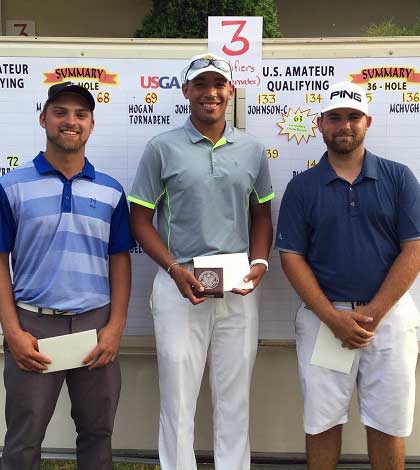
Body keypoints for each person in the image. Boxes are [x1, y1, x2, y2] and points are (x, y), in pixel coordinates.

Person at [129, 53, 274, 470]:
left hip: (238, 286)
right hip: (180, 282)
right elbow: (140, 219)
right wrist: (174, 269)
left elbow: (261, 214)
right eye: (201, 85)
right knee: (177, 396)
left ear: (230, 91)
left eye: (219, 85)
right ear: (186, 91)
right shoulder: (161, 147)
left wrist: (260, 263)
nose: (210, 93)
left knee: (235, 397)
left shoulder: (251, 149)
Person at [276, 81, 420, 470]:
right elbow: (291, 257)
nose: (345, 125)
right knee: (322, 423)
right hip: (326, 322)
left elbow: (414, 249)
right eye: (335, 117)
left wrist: (373, 312)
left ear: (367, 122)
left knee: (388, 424)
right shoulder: (302, 187)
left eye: (353, 116)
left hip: (388, 320)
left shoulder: (399, 177)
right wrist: (333, 318)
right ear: (320, 124)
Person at [0, 81, 135, 470]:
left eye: (80, 114)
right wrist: (12, 330)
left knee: (97, 433)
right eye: (60, 112)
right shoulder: (11, 187)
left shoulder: (111, 191)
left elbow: (120, 259)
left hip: (95, 324)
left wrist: (115, 328)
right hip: (33, 327)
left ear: (91, 124)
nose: (70, 121)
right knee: (24, 437)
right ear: (43, 118)